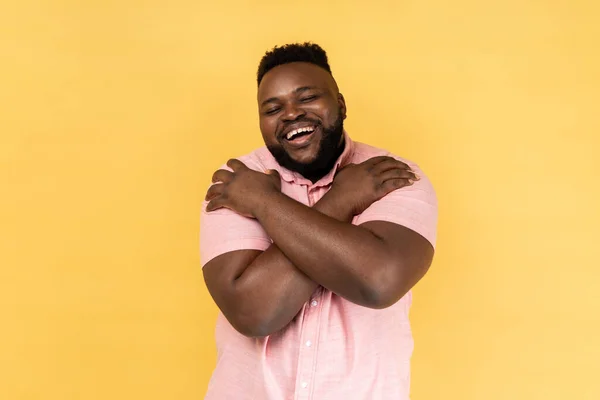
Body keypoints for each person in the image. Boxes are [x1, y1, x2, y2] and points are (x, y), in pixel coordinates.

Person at [200, 42, 438, 400]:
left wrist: (265, 204)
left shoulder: (391, 176)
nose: (291, 114)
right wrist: (343, 200)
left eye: (307, 97)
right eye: (273, 108)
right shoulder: (237, 182)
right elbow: (253, 313)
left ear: (340, 103)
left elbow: (378, 281)